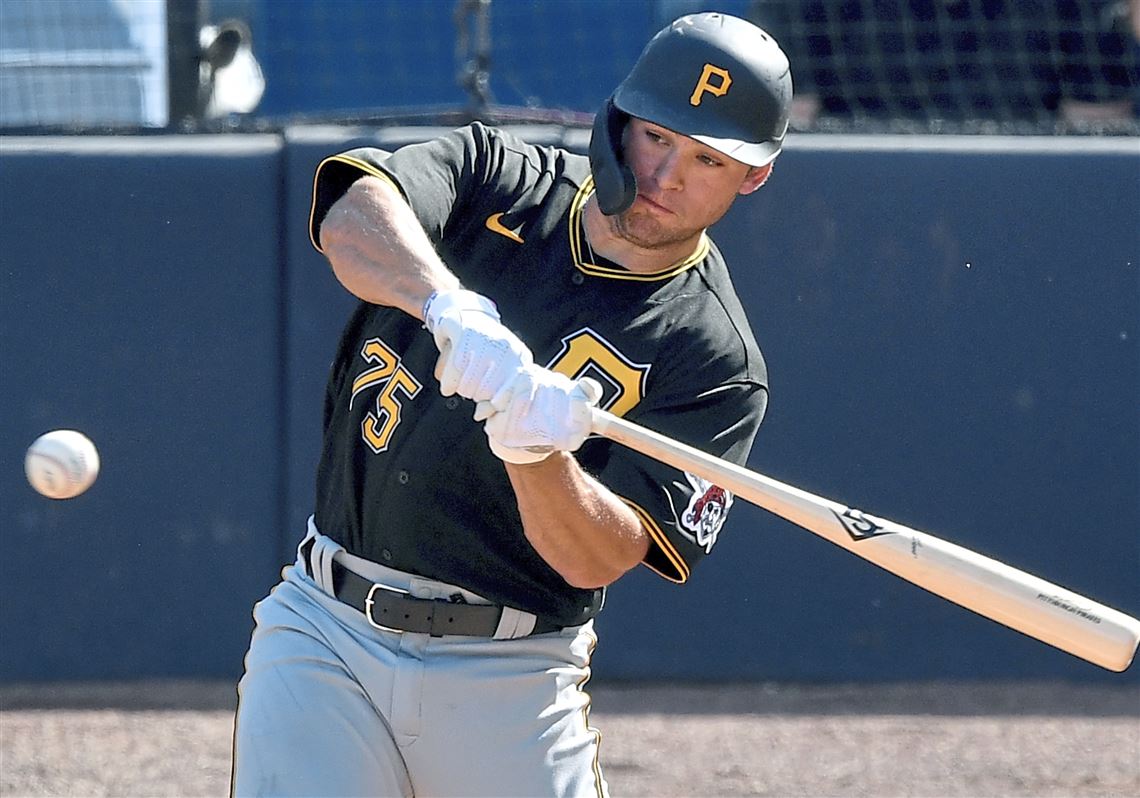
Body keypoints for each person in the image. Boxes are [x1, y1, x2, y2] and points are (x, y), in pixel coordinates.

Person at [231, 12, 791, 797]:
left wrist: (538, 456)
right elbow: (349, 214)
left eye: (705, 159)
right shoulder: (501, 177)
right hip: (326, 626)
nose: (667, 175)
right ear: (621, 118)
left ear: (754, 175)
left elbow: (602, 557)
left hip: (511, 672)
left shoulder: (715, 357)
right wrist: (446, 306)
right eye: (657, 137)